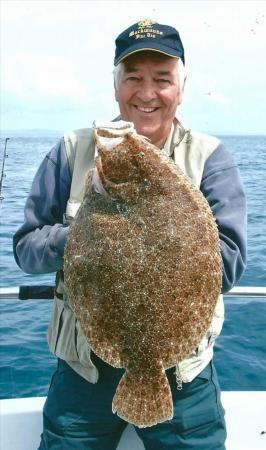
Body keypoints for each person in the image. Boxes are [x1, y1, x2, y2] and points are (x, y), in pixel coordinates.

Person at [13, 19, 247, 450]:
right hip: (83, 373)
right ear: (115, 82)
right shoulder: (70, 151)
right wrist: (86, 239)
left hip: (183, 377)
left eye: (162, 79)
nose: (146, 93)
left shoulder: (210, 158)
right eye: (133, 77)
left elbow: (228, 266)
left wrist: (156, 242)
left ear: (181, 86)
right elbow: (26, 251)